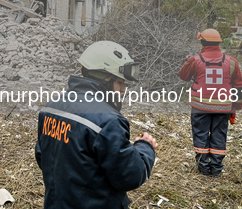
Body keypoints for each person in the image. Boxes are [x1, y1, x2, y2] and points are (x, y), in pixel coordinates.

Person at [35, 41, 158, 209]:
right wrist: (145, 148)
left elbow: (44, 158)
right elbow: (130, 176)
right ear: (106, 78)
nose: (123, 89)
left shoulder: (51, 107)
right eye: (120, 82)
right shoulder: (108, 121)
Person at [179, 28, 242, 177]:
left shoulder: (195, 60)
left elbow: (183, 76)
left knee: (201, 134)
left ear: (202, 41)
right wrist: (235, 106)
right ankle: (216, 169)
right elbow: (239, 85)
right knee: (219, 136)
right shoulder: (232, 62)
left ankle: (203, 167)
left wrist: (188, 61)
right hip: (222, 107)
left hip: (200, 106)